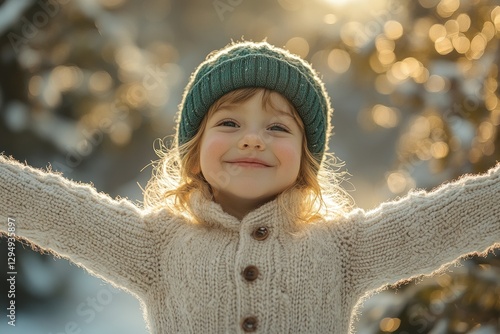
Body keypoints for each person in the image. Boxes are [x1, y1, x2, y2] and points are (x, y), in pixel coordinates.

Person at [1, 40, 499, 334]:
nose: (254, 140)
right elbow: (52, 209)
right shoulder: (156, 246)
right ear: (194, 150)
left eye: (279, 128)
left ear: (305, 161)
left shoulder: (344, 248)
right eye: (230, 123)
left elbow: (451, 218)